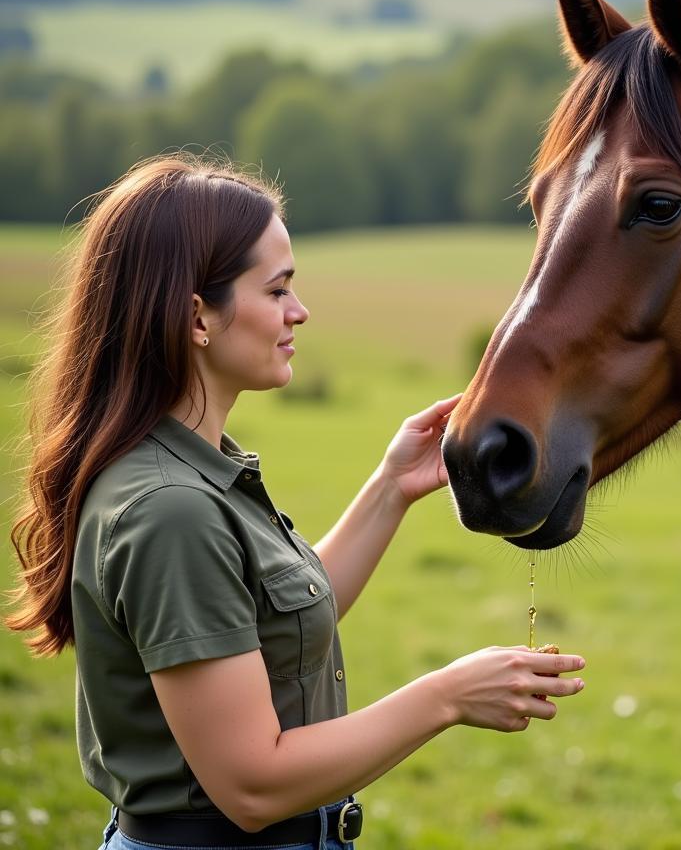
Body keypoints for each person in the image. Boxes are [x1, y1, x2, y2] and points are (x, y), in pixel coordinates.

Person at [5, 155, 586, 850]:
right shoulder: (171, 510)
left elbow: (275, 627)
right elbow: (254, 784)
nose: (299, 312)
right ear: (197, 316)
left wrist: (391, 488)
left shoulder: (193, 470)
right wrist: (449, 695)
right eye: (277, 290)